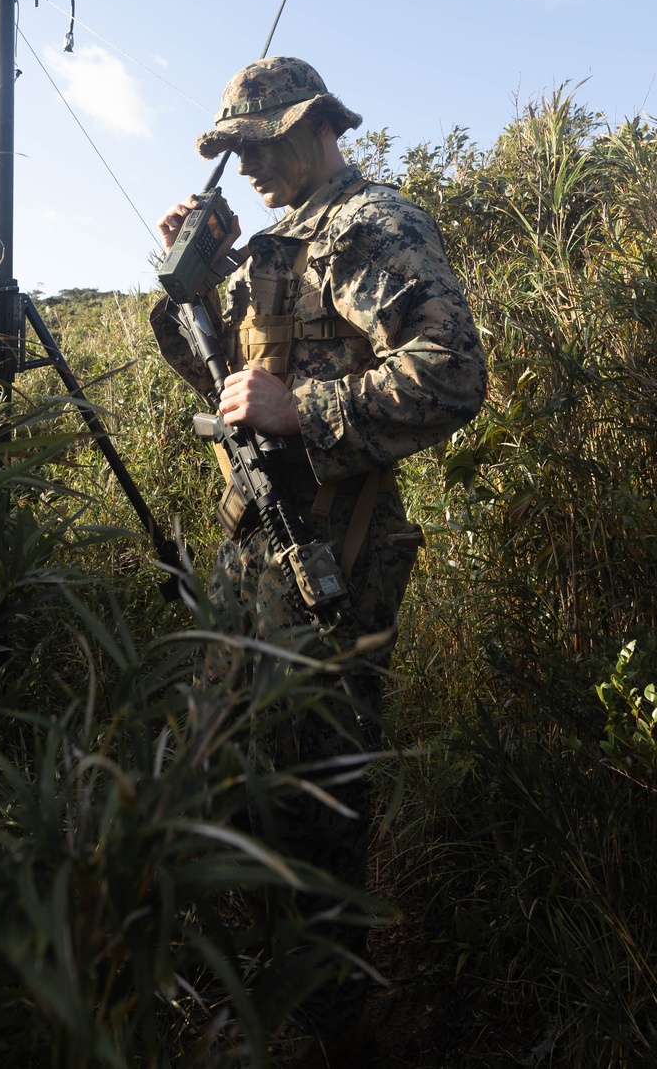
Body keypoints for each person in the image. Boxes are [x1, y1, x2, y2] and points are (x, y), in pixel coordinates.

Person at [151, 56, 486, 1066]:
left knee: (320, 798)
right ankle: (258, 990)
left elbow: (452, 373)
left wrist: (309, 410)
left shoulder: (369, 225)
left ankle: (332, 1022)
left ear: (312, 129)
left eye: (257, 144)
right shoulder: (273, 244)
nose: (245, 165)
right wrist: (184, 289)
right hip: (253, 552)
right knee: (231, 775)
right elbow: (217, 384)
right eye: (231, 151)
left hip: (335, 559)